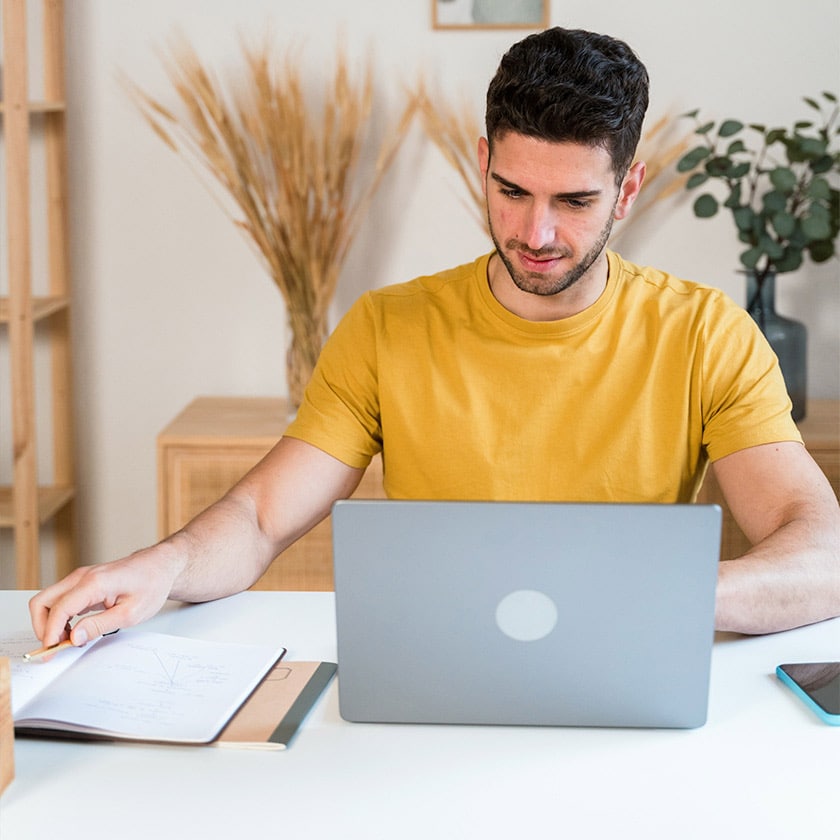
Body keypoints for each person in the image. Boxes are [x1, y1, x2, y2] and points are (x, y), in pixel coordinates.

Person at [30, 27, 839, 647]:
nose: (538, 232)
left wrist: (662, 597)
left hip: (628, 671)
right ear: (482, 161)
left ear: (627, 188)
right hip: (428, 677)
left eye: (576, 201)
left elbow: (820, 553)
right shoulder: (387, 327)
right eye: (512, 190)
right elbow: (261, 517)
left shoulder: (706, 335)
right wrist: (163, 564)